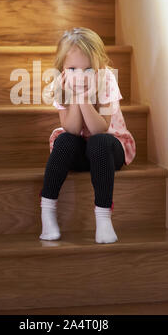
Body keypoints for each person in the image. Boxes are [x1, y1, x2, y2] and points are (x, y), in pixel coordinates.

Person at [39, 27, 136, 243]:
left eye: (88, 69)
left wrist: (85, 98)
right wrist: (75, 96)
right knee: (64, 140)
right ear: (62, 69)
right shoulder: (62, 85)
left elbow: (100, 128)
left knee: (99, 142)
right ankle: (47, 211)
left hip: (109, 149)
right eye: (72, 69)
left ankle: (103, 218)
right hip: (81, 150)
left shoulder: (107, 79)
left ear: (99, 67)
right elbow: (72, 129)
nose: (80, 76)